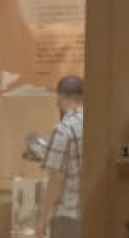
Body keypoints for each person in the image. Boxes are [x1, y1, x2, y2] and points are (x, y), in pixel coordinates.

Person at [38, 76, 83, 238]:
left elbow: (56, 178)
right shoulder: (96, 123)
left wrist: (43, 219)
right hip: (93, 214)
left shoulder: (63, 129)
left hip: (67, 217)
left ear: (59, 98)